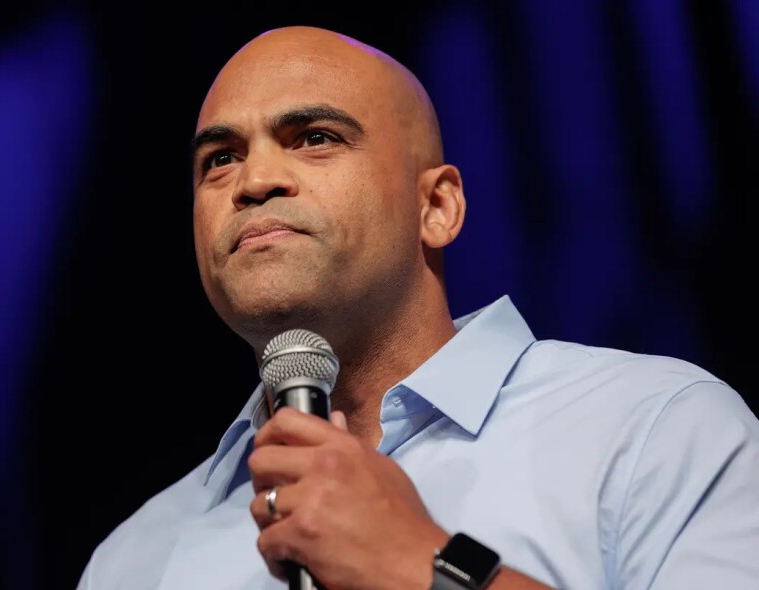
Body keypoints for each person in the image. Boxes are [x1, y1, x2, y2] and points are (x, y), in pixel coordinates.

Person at [76, 25, 759, 590]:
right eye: (219, 159)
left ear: (437, 206)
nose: (252, 181)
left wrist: (421, 564)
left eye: (315, 136)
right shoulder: (131, 562)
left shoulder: (654, 431)